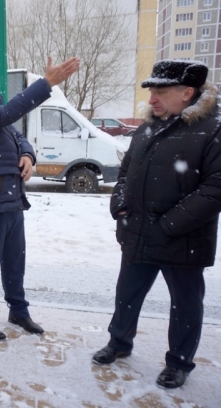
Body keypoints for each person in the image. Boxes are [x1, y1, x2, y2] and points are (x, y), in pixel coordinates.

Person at [92, 60, 221, 389]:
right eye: (151, 92)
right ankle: (119, 342)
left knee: (185, 305)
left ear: (187, 93)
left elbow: (215, 188)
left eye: (160, 92)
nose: (152, 100)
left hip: (183, 239)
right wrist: (119, 204)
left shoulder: (213, 129)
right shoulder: (147, 128)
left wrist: (168, 224)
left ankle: (178, 362)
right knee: (127, 294)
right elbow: (125, 172)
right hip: (137, 233)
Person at [0, 57, 79, 339]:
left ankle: (19, 311)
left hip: (12, 200)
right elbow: (7, 116)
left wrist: (27, 154)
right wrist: (45, 83)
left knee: (15, 261)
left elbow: (18, 136)